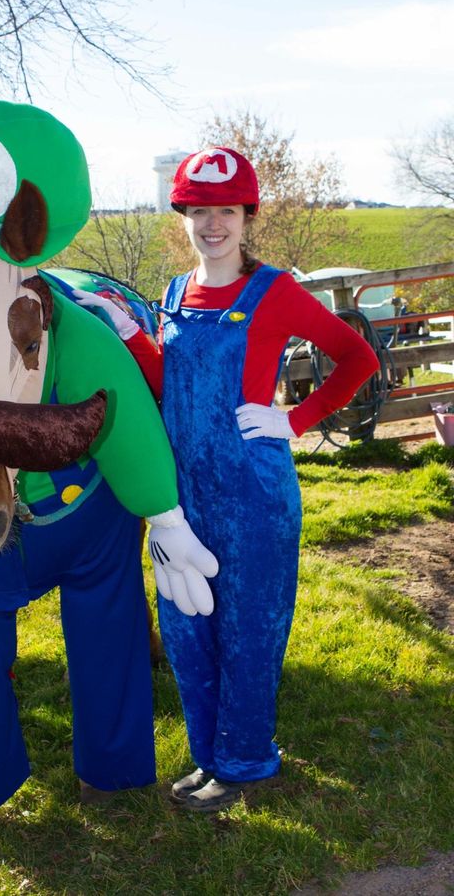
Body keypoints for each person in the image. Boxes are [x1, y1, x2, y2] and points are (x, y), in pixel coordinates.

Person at [74, 147, 379, 813]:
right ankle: (209, 754)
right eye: (201, 211)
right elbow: (166, 383)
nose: (214, 224)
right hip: (180, 495)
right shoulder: (177, 294)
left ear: (247, 218)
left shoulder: (275, 292)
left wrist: (296, 420)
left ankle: (245, 761)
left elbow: (355, 355)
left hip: (252, 496)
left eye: (228, 212)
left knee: (247, 630)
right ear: (184, 216)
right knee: (186, 627)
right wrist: (131, 333)